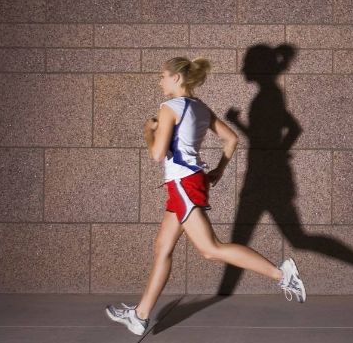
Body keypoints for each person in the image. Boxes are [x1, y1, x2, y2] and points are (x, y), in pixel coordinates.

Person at [105, 56, 306, 336]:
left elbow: (157, 154)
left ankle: (282, 274)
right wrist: (219, 171)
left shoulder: (169, 108)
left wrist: (147, 132)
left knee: (210, 249)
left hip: (182, 183)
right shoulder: (199, 107)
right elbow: (232, 138)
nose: (159, 80)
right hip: (190, 181)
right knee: (162, 247)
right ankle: (140, 315)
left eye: (162, 75)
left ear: (176, 78)